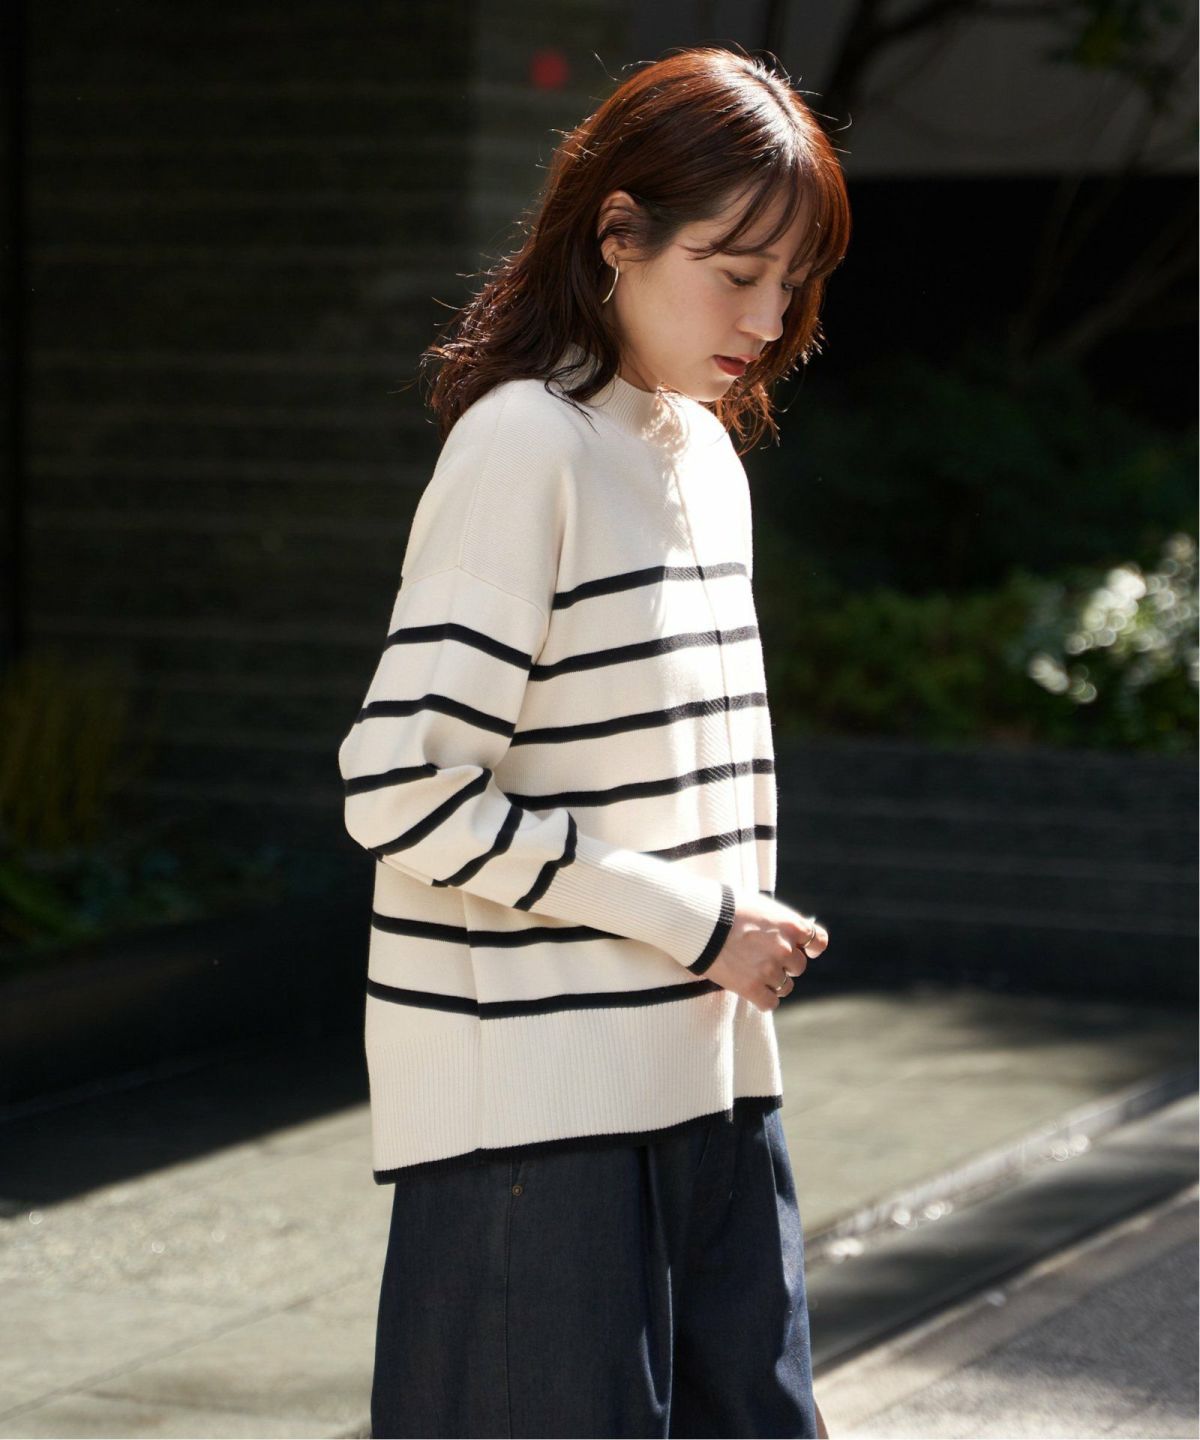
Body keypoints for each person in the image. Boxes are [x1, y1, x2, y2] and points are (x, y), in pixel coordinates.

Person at [337, 42, 850, 1440]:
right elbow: (400, 786)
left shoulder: (700, 454)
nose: (769, 314)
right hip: (537, 1122)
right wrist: (697, 921)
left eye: (793, 279)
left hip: (713, 1083)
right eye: (734, 271)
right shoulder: (526, 445)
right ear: (619, 234)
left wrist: (719, 936)